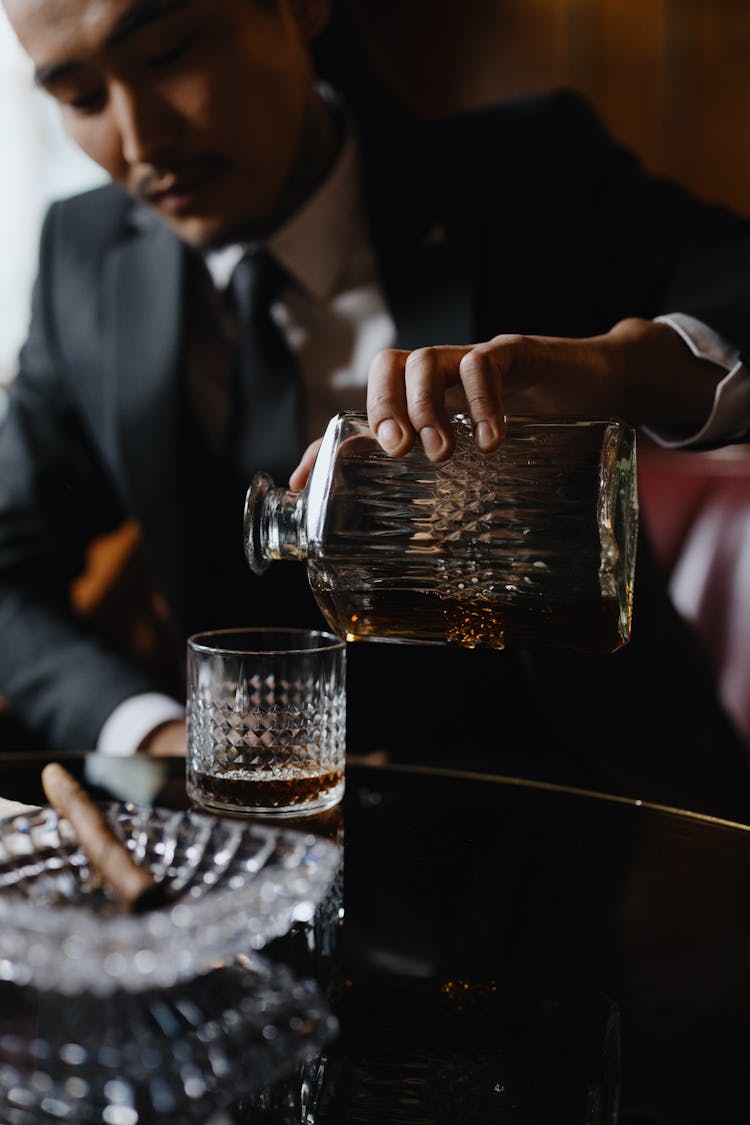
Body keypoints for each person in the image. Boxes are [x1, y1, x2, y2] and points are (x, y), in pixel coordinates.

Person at [2, 0, 750, 815]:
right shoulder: (81, 256)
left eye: (172, 52)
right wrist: (154, 733)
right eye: (79, 99)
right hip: (256, 832)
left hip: (584, 810)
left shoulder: (525, 172)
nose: (142, 144)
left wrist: (624, 369)